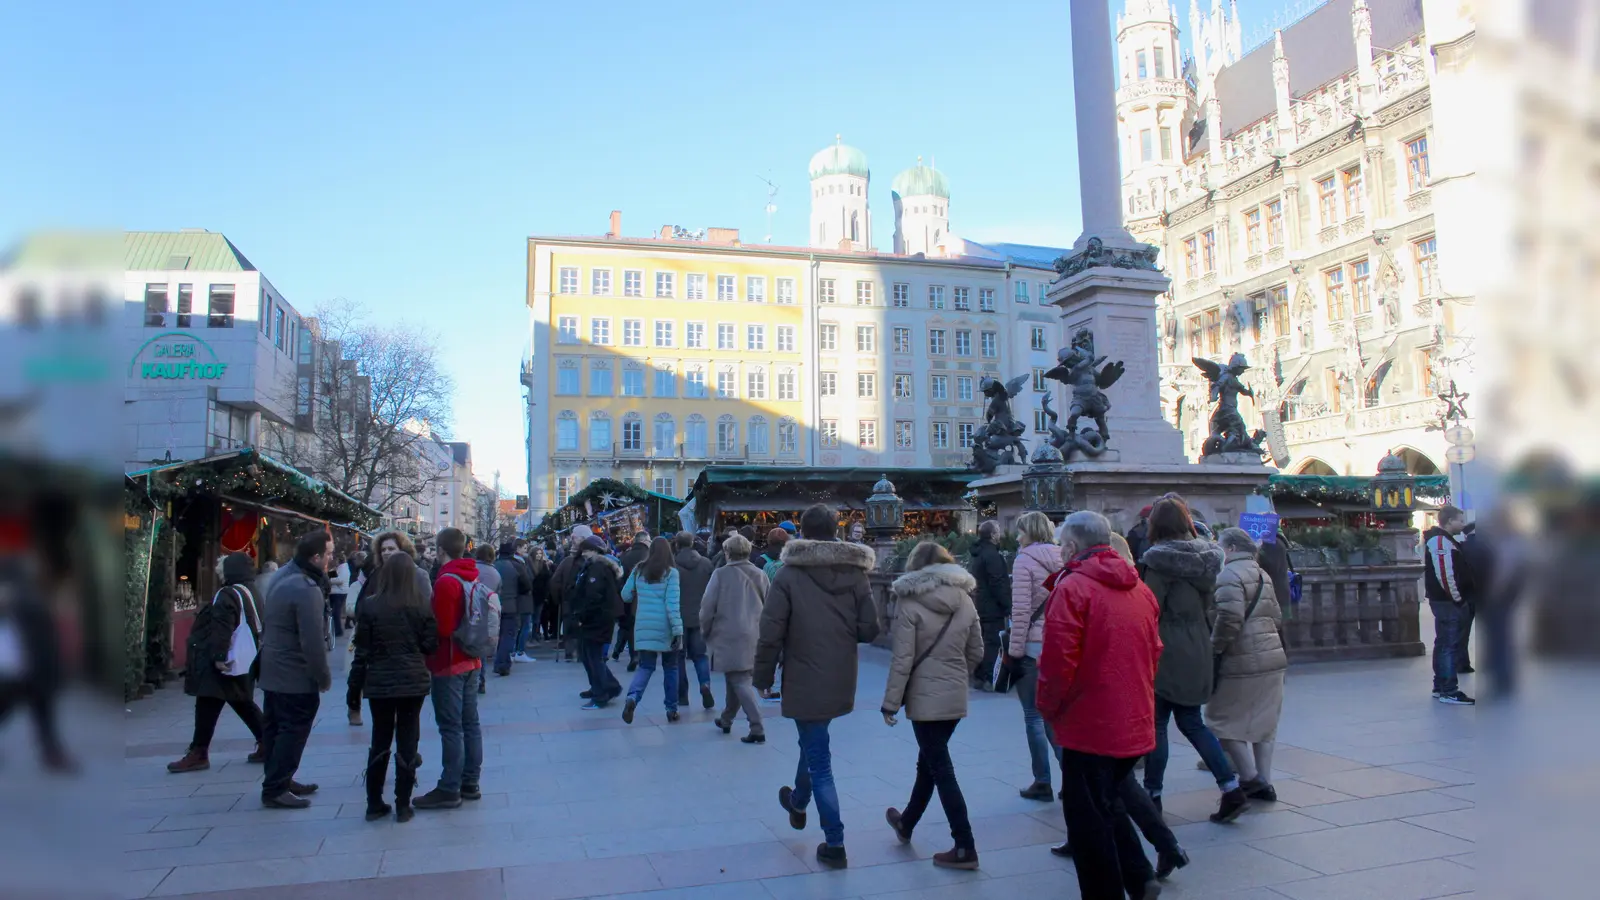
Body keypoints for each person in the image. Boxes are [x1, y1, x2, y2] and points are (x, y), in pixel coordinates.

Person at [1036, 511, 1163, 900]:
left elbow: (1058, 660)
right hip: (1133, 715)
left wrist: (1049, 710)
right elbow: (1154, 650)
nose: (1059, 551)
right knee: (1108, 804)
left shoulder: (1073, 588)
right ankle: (1140, 877)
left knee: (1087, 822)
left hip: (1088, 722)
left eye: (1061, 545)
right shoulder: (1139, 587)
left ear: (1072, 547)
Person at [755, 503, 881, 870]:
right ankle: (796, 800)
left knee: (819, 759)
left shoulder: (789, 574)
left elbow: (770, 631)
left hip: (803, 673)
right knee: (813, 741)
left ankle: (835, 841)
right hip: (840, 675)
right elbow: (870, 628)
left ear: (803, 533)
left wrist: (762, 677)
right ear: (835, 529)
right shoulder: (856, 574)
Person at [1139, 497, 1248, 823]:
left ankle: (1153, 797)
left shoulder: (1158, 561)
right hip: (1199, 643)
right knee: (1192, 722)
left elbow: (1149, 608)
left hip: (1166, 648)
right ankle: (1231, 788)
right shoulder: (1209, 558)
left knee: (1157, 724)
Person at [881, 543, 986, 871]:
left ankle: (964, 844)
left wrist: (890, 703)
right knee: (929, 761)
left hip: (925, 697)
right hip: (953, 696)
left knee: (940, 768)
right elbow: (977, 650)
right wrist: (956, 675)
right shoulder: (964, 599)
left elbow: (903, 659)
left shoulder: (909, 601)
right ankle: (907, 822)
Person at [351, 552, 439, 823]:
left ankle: (374, 802)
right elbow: (430, 645)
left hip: (379, 681)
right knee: (408, 738)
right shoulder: (422, 606)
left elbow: (361, 650)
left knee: (380, 737)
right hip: (413, 680)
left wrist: (353, 690)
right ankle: (403, 804)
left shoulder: (369, 605)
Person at [1209, 527, 1288, 805]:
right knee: (1264, 724)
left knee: (1222, 720)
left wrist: (1215, 646)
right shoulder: (1261, 573)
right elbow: (1276, 615)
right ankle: (1264, 781)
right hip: (1272, 657)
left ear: (1229, 548)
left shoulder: (1229, 574)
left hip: (1241, 658)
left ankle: (1250, 778)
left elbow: (1229, 617)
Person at [168, 552, 265, 773]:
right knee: (239, 701)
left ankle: (199, 753)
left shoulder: (227, 594)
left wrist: (219, 657)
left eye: (221, 571)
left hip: (224, 661)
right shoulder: (251, 591)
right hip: (243, 659)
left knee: (210, 702)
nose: (219, 575)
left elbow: (222, 627)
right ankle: (266, 741)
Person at [258, 529, 334, 809]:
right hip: (293, 673)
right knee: (292, 730)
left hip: (273, 669)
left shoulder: (285, 576)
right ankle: (276, 786)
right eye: (329, 554)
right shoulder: (305, 588)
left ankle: (279, 779)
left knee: (276, 728)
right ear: (316, 557)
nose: (331, 559)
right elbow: (312, 641)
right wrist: (323, 676)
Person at [414, 528, 485, 810]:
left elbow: (442, 628)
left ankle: (449, 787)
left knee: (451, 727)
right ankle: (471, 781)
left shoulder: (446, 581)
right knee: (471, 723)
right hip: (472, 658)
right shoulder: (471, 573)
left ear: (441, 550)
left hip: (450, 662)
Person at [1005, 511, 1063, 802]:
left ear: (1029, 532)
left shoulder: (1024, 560)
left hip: (1031, 646)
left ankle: (1042, 781)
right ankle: (1073, 776)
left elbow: (1021, 611)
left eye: (1020, 531)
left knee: (1033, 716)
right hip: (1059, 643)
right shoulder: (1064, 558)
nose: (1017, 536)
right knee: (1056, 715)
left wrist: (1014, 652)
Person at [700, 533, 769, 743]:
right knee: (737, 676)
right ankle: (726, 718)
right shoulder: (760, 574)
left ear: (727, 552)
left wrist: (705, 630)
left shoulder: (720, 574)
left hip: (728, 634)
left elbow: (707, 607)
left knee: (739, 680)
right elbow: (770, 604)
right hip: (755, 632)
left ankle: (757, 727)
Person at [620, 539, 684, 723]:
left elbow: (625, 595)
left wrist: (638, 592)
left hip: (644, 625)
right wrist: (678, 631)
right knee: (671, 668)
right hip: (665, 627)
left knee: (646, 666)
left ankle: (632, 697)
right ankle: (671, 710)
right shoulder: (672, 573)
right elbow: (672, 605)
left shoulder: (638, 570)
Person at [1423, 505, 1475, 705]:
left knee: (1444, 643)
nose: (1462, 524)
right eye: (1459, 521)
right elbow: (1445, 574)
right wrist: (1458, 598)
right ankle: (1448, 689)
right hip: (1447, 602)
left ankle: (1441, 686)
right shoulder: (1439, 541)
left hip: (1445, 601)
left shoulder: (1444, 540)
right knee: (1449, 645)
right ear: (1449, 521)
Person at [574, 535, 625, 709]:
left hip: (597, 619)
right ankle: (608, 686)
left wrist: (582, 615)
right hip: (600, 617)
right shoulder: (599, 566)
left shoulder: (597, 568)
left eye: (586, 550)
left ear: (595, 551)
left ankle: (600, 694)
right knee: (590, 656)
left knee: (593, 657)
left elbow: (593, 596)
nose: (583, 554)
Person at [672, 531, 717, 709]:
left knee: (679, 657)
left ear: (677, 544)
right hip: (700, 616)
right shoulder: (706, 563)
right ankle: (705, 684)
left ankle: (682, 695)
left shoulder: (672, 565)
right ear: (692, 543)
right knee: (700, 656)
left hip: (679, 617)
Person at [966, 520, 1011, 691]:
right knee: (992, 642)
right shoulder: (992, 555)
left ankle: (978, 675)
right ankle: (988, 677)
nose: (1000, 534)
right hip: (992, 606)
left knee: (981, 640)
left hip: (979, 603)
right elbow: (997, 583)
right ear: (992, 535)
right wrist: (1008, 605)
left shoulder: (978, 554)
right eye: (998, 531)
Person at [549, 525, 593, 662]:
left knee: (569, 627)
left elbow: (554, 582)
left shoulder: (566, 562)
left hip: (568, 600)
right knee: (583, 627)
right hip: (584, 602)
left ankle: (569, 652)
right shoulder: (591, 561)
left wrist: (558, 599)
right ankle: (581, 653)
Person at [614, 531, 651, 669]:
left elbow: (619, 579)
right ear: (645, 541)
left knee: (630, 628)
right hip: (647, 598)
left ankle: (634, 655)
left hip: (628, 598)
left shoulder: (625, 557)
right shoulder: (650, 556)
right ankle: (644, 655)